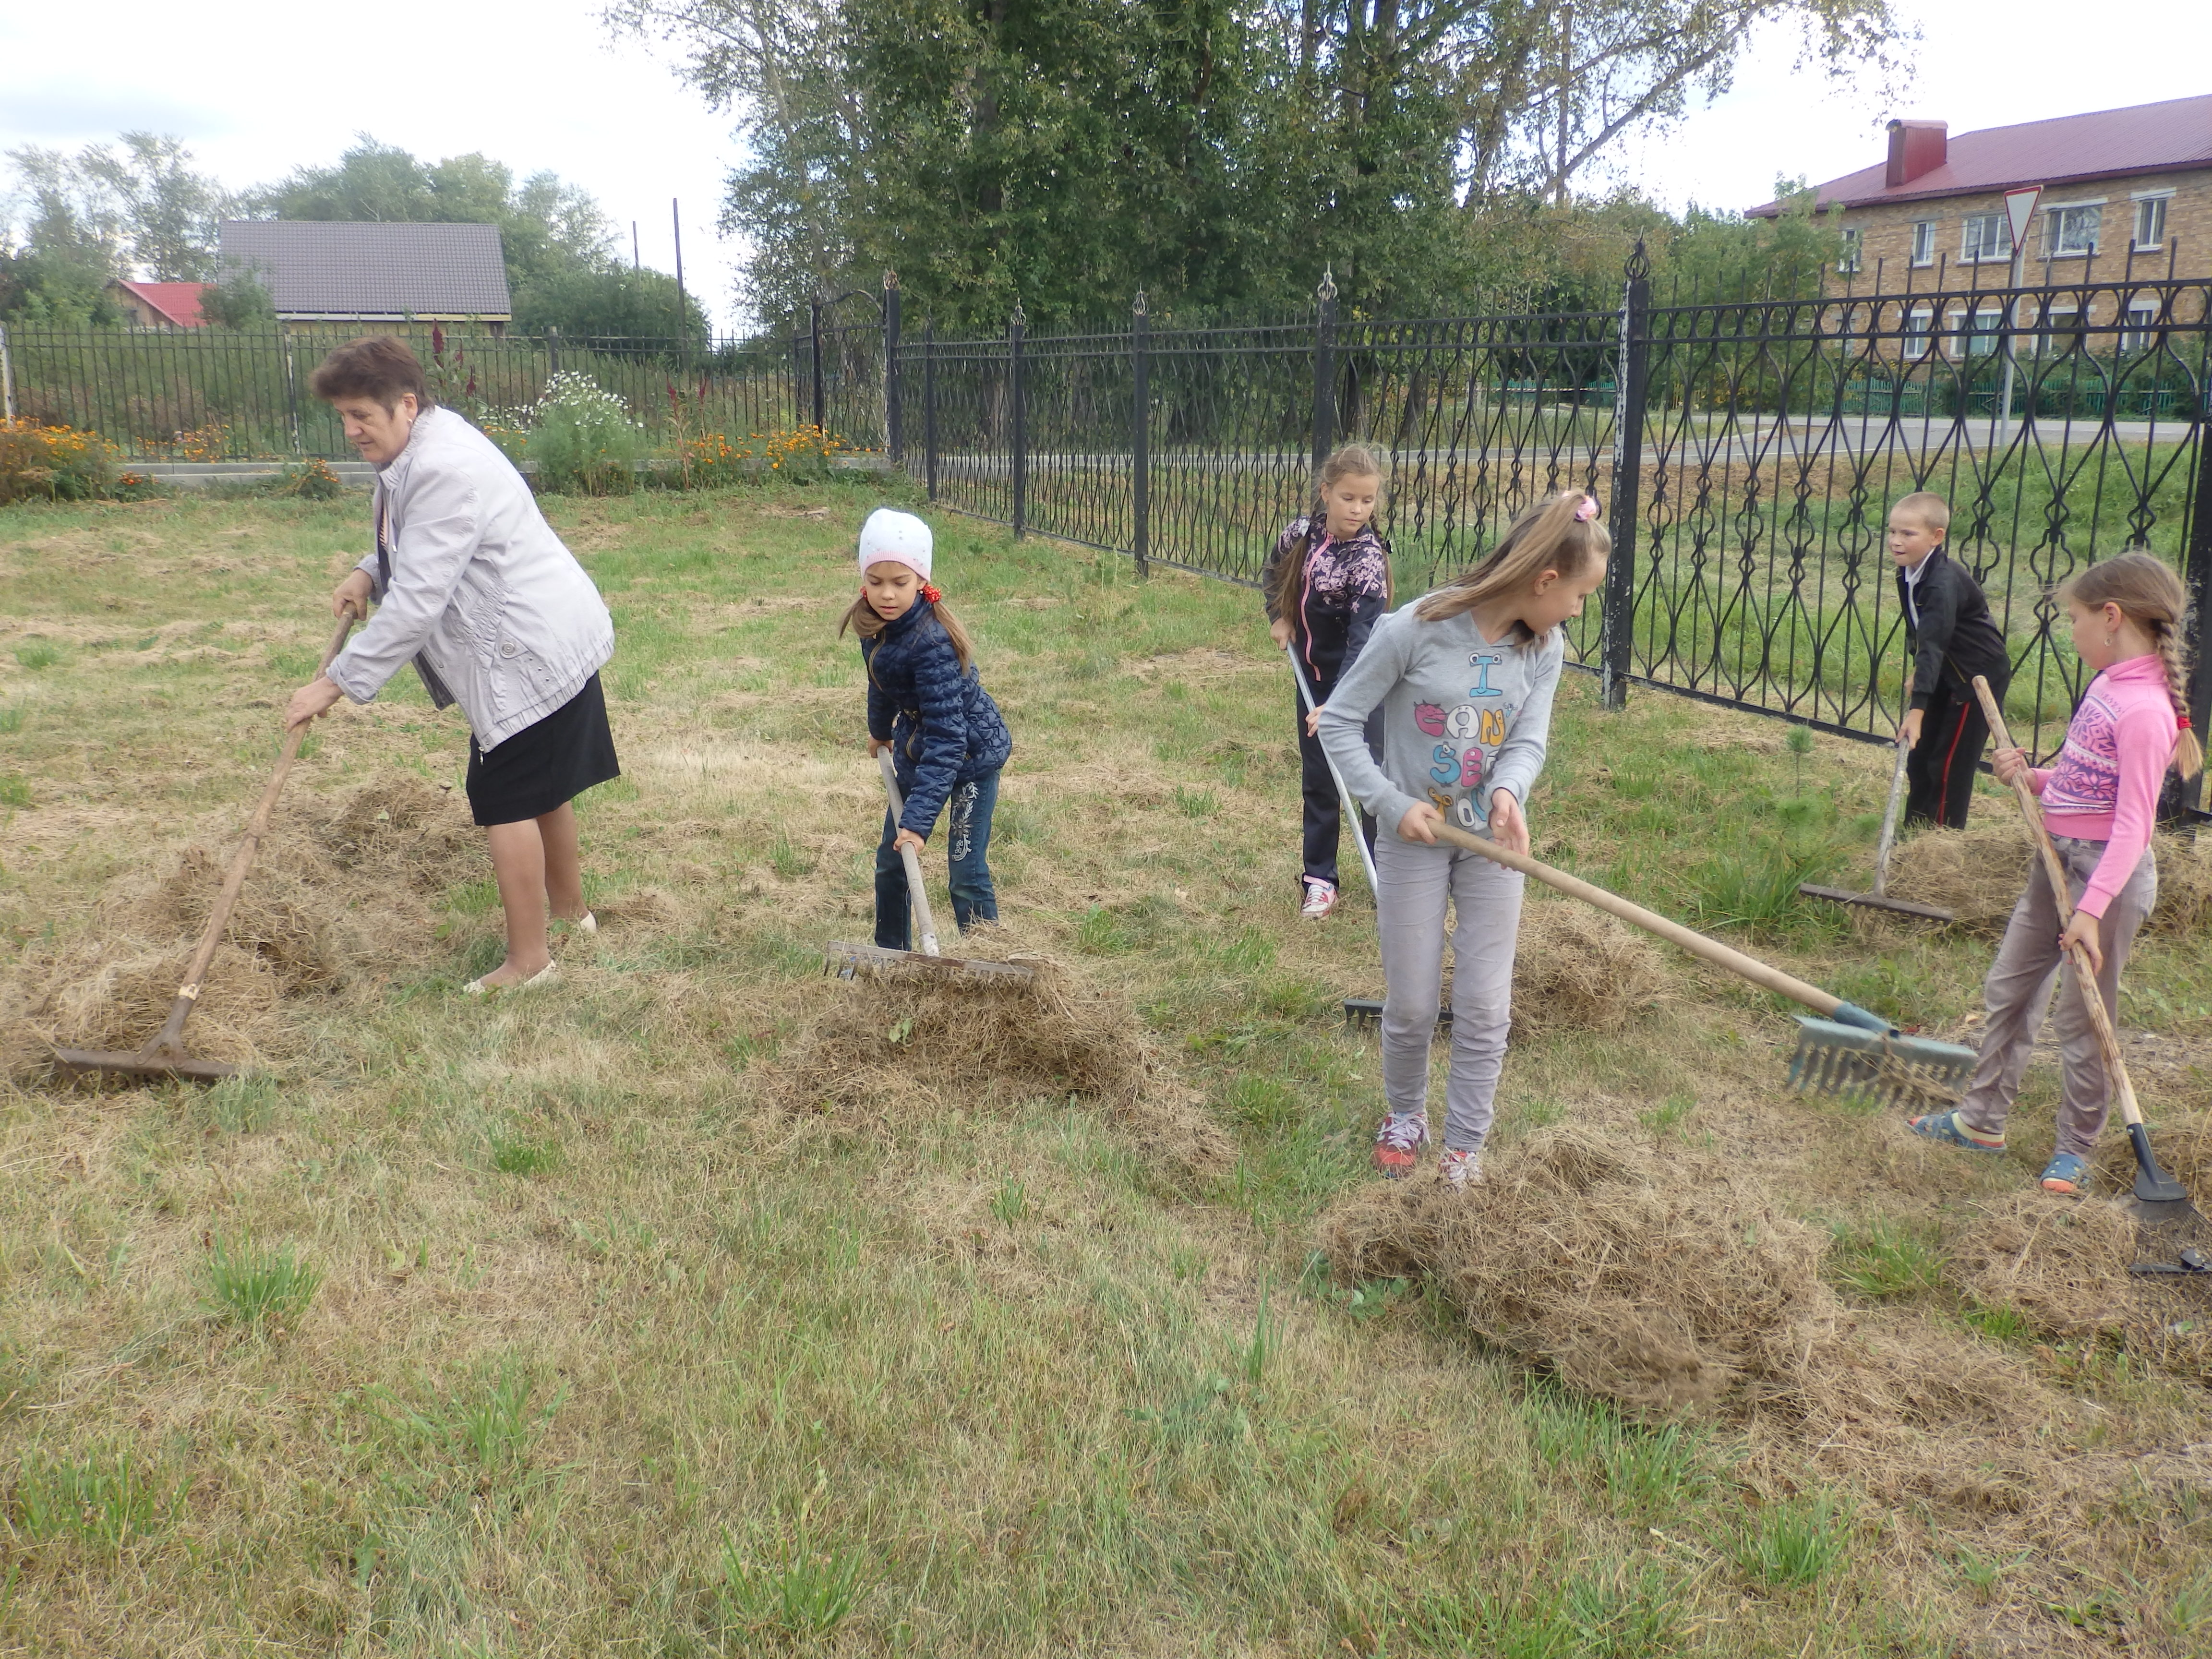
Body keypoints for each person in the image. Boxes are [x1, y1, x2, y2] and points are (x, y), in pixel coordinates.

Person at [283, 335, 618, 995]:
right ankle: (571, 913)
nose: (351, 431)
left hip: (525, 650)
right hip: (549, 633)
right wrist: (368, 569)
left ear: (406, 404)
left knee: (506, 799)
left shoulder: (442, 467)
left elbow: (418, 603)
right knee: (545, 786)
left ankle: (530, 963)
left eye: (361, 416)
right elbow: (423, 539)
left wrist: (335, 683)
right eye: (344, 416)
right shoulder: (431, 441)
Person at [1320, 490, 1608, 1190]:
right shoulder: (1414, 629)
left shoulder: (1543, 647)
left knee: (1484, 1005)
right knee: (1412, 1003)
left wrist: (1509, 791)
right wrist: (1390, 803)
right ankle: (1404, 1116)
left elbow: (1528, 740)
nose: (1578, 611)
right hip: (1412, 841)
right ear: (1544, 581)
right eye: (1578, 596)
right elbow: (1340, 722)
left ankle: (1464, 1146)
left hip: (1493, 849)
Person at [1909, 553, 2201, 1193]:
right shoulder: (2106, 685)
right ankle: (1981, 1121)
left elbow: (2133, 826)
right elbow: (2083, 782)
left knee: (2082, 1015)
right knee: (2010, 988)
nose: (2070, 631)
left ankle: (2075, 1149)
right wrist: (2035, 778)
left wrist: (2091, 913)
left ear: (2111, 617)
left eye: (2074, 618)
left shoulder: (2145, 711)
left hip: (2107, 880)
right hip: (2056, 859)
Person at [842, 509, 1011, 949]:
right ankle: (891, 957)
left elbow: (949, 739)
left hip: (969, 756)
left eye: (900, 582)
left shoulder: (933, 644)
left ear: (921, 580)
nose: (887, 594)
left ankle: (988, 961)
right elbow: (882, 679)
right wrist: (880, 730)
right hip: (919, 749)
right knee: (892, 863)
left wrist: (917, 824)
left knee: (965, 872)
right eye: (876, 581)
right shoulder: (874, 625)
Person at [1262, 443, 1393, 920]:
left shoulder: (1368, 561)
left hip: (1362, 685)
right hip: (1313, 680)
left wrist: (1341, 706)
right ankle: (1320, 879)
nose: (1357, 509)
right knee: (1320, 780)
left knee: (1369, 779)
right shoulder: (1301, 533)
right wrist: (1278, 615)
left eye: (1367, 500)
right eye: (1348, 498)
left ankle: (1389, 875)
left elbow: (1364, 643)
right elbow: (1275, 572)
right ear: (1326, 493)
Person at [1889, 492, 2010, 829]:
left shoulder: (1941, 584)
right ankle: (1914, 833)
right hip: (1944, 668)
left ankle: (1943, 840)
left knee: (1948, 766)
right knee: (1920, 759)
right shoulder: (1909, 571)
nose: (1896, 541)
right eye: (1893, 531)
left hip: (1976, 679)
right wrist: (1920, 672)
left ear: (1936, 537)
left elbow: (1933, 642)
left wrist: (1917, 710)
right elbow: (1919, 630)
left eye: (1908, 534)